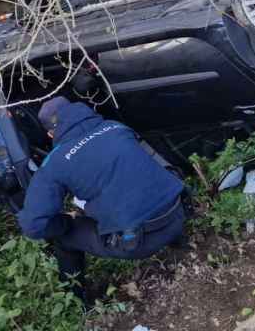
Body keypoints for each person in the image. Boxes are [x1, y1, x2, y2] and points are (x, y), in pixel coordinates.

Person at [17, 96, 184, 300]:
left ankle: (76, 299)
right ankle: (179, 244)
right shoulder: (115, 127)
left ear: (51, 133)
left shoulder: (54, 163)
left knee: (64, 238)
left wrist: (66, 221)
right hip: (178, 214)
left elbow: (33, 225)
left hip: (139, 241)